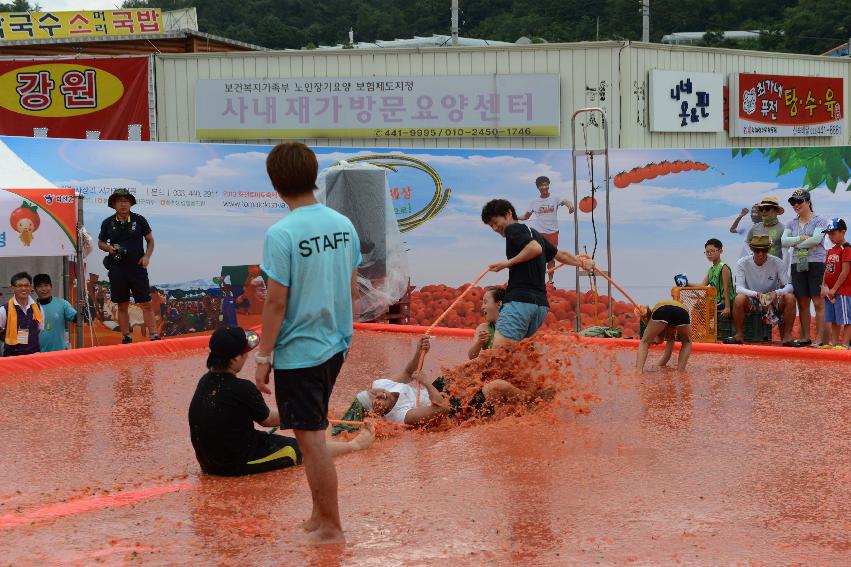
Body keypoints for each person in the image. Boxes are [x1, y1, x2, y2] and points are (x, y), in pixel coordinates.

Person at [254, 142, 361, 544]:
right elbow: (350, 287)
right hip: (336, 342)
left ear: (276, 184)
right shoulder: (342, 224)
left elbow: (276, 302)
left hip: (301, 350)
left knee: (311, 440)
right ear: (313, 176)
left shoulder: (281, 233)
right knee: (313, 427)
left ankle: (331, 527)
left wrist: (264, 356)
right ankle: (318, 515)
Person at [189, 326, 373, 477]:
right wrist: (305, 410)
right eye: (245, 353)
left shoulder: (204, 382)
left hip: (209, 463)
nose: (246, 357)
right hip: (234, 464)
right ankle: (355, 445)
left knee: (303, 440)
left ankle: (324, 438)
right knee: (303, 450)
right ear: (236, 357)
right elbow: (267, 420)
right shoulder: (241, 387)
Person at [352, 336, 539, 428]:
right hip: (453, 412)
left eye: (373, 392)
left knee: (473, 366)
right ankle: (533, 402)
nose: (380, 394)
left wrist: (419, 350)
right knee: (497, 387)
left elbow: (409, 372)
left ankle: (521, 379)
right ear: (377, 412)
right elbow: (443, 408)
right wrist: (426, 383)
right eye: (376, 400)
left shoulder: (380, 385)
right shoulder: (402, 417)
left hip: (435, 391)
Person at [481, 198, 593, 347]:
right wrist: (582, 263)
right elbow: (561, 255)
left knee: (497, 357)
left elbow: (535, 249)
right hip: (540, 307)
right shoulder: (535, 234)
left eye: (495, 222)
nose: (495, 228)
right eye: (491, 226)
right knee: (518, 357)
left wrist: (506, 263)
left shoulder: (512, 229)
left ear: (508, 213)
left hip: (519, 302)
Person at [98, 188, 159, 344]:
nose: (123, 204)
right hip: (117, 269)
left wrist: (147, 256)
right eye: (119, 201)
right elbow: (100, 242)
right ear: (114, 204)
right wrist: (109, 248)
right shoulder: (107, 222)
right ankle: (126, 336)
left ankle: (154, 335)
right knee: (122, 304)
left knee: (146, 303)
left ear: (131, 203)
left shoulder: (139, 220)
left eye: (126, 201)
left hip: (137, 268)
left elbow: (150, 240)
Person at [723, 234, 797, 346]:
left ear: (769, 249)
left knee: (790, 298)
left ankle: (787, 337)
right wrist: (757, 295)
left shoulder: (777, 262)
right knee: (739, 299)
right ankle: (738, 335)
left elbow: (789, 286)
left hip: (771, 299)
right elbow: (739, 288)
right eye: (757, 250)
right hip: (752, 300)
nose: (761, 254)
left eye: (764, 250)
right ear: (752, 249)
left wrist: (775, 293)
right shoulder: (742, 263)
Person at [781, 189, 830, 347]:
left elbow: (816, 240)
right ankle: (805, 337)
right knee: (802, 302)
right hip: (797, 264)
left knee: (818, 302)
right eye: (793, 202)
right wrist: (801, 238)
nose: (796, 205)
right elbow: (783, 241)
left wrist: (794, 242)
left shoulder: (821, 220)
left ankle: (820, 339)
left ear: (808, 202)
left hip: (816, 263)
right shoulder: (790, 223)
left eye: (800, 201)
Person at [517, 176, 575, 285]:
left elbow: (566, 201)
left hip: (552, 233)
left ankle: (550, 281)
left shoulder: (555, 198)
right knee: (539, 257)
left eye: (546, 184)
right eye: (541, 185)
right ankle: (539, 281)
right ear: (538, 187)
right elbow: (526, 216)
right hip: (539, 233)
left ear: (548, 185)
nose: (544, 187)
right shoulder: (534, 202)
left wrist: (570, 205)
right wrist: (515, 217)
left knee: (551, 257)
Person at [635, 300, 692, 372]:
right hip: (682, 311)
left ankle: (638, 372)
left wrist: (643, 308)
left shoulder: (652, 319)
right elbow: (666, 356)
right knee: (687, 342)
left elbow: (647, 309)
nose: (654, 343)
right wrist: (657, 366)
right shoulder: (670, 333)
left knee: (644, 342)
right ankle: (681, 371)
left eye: (654, 343)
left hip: (664, 309)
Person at [820, 218, 851, 349]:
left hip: (842, 290)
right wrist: (824, 287)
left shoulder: (846, 248)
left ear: (842, 232)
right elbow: (826, 270)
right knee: (833, 319)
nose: (830, 236)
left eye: (833, 233)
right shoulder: (831, 250)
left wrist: (834, 289)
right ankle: (833, 343)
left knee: (846, 318)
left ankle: (845, 344)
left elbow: (844, 272)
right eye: (829, 233)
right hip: (830, 291)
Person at [0, 272, 44, 356]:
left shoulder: (38, 308)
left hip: (34, 355)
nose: (23, 288)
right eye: (19, 286)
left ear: (31, 287)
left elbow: (38, 329)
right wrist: (9, 339)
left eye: (26, 285)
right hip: (12, 357)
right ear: (13, 288)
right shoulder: (4, 310)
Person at [33, 274, 77, 352]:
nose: (44, 289)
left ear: (51, 286)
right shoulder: (30, 308)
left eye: (46, 285)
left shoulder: (62, 303)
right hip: (37, 355)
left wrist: (82, 309)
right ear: (35, 289)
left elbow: (76, 318)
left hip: (59, 354)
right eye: (40, 286)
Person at [700, 238, 734, 320]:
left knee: (704, 310)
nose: (709, 254)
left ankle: (708, 331)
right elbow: (702, 285)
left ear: (720, 251)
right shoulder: (711, 269)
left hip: (724, 302)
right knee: (698, 307)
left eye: (712, 251)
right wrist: (686, 283)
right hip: (716, 301)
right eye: (707, 252)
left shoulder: (723, 267)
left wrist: (727, 307)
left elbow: (727, 287)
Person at [468, 287, 504, 359]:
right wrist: (479, 342)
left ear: (499, 304)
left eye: (485, 302)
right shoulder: (484, 328)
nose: (482, 307)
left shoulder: (514, 328)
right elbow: (472, 356)